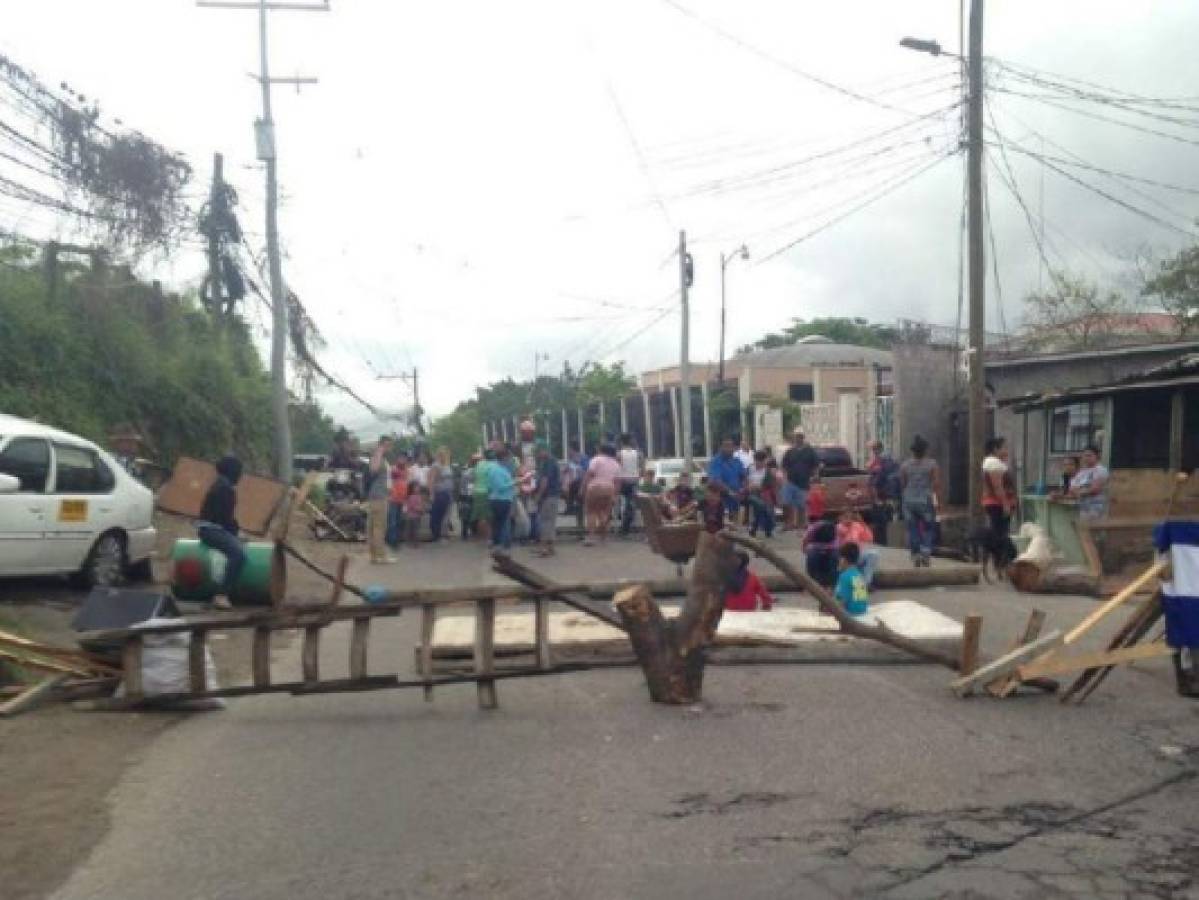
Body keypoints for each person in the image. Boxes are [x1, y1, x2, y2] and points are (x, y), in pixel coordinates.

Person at [197, 454, 245, 610]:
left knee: (237, 544)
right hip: (212, 530)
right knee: (238, 554)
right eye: (239, 472)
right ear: (233, 472)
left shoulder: (219, 484)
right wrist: (236, 534)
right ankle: (221, 595)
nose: (240, 476)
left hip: (209, 528)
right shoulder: (226, 489)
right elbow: (225, 519)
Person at [900, 435, 940, 568]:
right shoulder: (932, 464)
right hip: (925, 499)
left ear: (913, 451)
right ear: (925, 451)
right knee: (928, 527)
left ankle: (916, 554)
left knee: (913, 528)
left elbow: (903, 483)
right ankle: (925, 552)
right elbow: (935, 484)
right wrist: (936, 501)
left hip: (909, 500)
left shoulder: (905, 465)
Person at [982, 437, 1017, 568]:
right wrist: (1006, 504)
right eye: (1004, 448)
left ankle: (1001, 560)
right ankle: (1003, 559)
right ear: (996, 449)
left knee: (1000, 532)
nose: (1006, 451)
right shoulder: (993, 463)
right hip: (997, 503)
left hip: (997, 502)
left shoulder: (997, 463)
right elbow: (998, 486)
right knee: (1000, 533)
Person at [581, 443, 621, 546]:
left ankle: (591, 537)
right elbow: (617, 482)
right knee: (604, 513)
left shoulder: (596, 459)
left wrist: (583, 488)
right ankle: (603, 537)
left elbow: (589, 474)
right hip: (609, 488)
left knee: (591, 512)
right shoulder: (616, 464)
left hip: (595, 487)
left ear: (601, 450)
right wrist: (615, 495)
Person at [781, 428, 820, 531]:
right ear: (794, 438)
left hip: (803, 482)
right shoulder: (790, 451)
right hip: (790, 482)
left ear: (803, 438)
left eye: (800, 436)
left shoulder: (810, 451)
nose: (798, 438)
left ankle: (801, 525)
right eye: (797, 436)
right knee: (786, 503)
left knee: (801, 505)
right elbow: (784, 465)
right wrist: (784, 478)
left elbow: (816, 465)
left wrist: (815, 476)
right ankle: (788, 524)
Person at [365, 436, 395, 564]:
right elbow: (374, 469)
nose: (389, 448)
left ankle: (374, 555)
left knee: (373, 527)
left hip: (378, 495)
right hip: (379, 496)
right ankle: (381, 555)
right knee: (379, 527)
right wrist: (380, 450)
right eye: (387, 445)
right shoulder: (378, 456)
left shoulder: (382, 458)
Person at [866, 440, 900, 546]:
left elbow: (874, 482)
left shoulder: (879, 462)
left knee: (880, 523)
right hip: (888, 496)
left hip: (881, 496)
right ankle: (884, 542)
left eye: (872, 449)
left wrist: (876, 498)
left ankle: (881, 543)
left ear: (877, 449)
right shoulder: (891, 461)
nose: (872, 452)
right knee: (885, 522)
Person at [486, 446, 517, 552]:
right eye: (508, 457)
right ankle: (501, 544)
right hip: (501, 500)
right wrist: (515, 482)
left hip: (500, 499)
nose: (509, 459)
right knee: (502, 523)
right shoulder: (497, 470)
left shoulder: (499, 469)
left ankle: (500, 544)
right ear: (503, 458)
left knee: (499, 523)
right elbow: (501, 487)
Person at [533, 441, 561, 557]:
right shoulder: (552, 461)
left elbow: (545, 480)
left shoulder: (548, 462)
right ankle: (551, 547)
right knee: (550, 521)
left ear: (544, 450)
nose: (537, 455)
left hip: (548, 495)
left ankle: (543, 547)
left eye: (538, 452)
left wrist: (538, 495)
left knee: (545, 521)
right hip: (553, 495)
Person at [1068, 444, 1110, 520]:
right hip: (1083, 508)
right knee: (1083, 530)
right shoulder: (1082, 472)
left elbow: (1095, 489)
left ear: (1097, 456)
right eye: (1085, 456)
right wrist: (1083, 490)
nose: (1086, 458)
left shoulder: (1101, 470)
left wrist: (1080, 491)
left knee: (1093, 530)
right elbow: (1072, 488)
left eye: (1089, 455)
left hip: (1096, 508)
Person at [707, 437, 747, 516]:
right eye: (726, 446)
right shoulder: (716, 461)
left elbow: (743, 477)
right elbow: (715, 481)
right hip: (721, 499)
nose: (728, 448)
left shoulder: (737, 461)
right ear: (721, 447)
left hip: (737, 499)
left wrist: (743, 489)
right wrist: (730, 492)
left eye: (730, 446)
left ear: (734, 448)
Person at [802, 512, 839, 589]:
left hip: (830, 547)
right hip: (816, 546)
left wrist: (826, 550)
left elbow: (836, 546)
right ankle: (811, 583)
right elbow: (805, 541)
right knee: (812, 556)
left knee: (834, 557)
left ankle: (833, 583)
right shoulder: (813, 528)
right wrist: (805, 549)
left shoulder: (834, 529)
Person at [744, 450, 776, 538]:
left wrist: (759, 487)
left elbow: (770, 485)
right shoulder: (749, 469)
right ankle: (767, 529)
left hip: (763, 493)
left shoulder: (767, 471)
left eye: (762, 461)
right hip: (750, 494)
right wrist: (748, 486)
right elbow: (744, 481)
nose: (759, 464)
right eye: (757, 461)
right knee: (761, 505)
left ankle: (755, 528)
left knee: (763, 507)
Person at [617, 433, 643, 536]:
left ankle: (623, 522)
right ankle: (626, 522)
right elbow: (642, 468)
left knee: (622, 502)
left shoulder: (619, 454)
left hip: (623, 481)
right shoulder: (638, 453)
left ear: (621, 442)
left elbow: (617, 468)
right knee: (630, 503)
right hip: (634, 481)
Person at [427, 447, 455, 542]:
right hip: (440, 493)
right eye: (442, 455)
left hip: (448, 493)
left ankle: (444, 534)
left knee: (446, 515)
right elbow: (431, 480)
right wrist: (431, 494)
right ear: (438, 456)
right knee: (438, 515)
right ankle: (437, 535)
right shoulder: (436, 466)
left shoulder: (447, 466)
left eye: (445, 455)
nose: (444, 456)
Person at [834, 542, 870, 617]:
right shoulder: (859, 575)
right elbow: (860, 598)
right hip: (862, 612)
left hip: (850, 614)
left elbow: (842, 602)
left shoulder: (844, 577)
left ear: (843, 560)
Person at [386, 451, 410, 550]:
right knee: (392, 521)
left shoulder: (407, 471)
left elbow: (407, 484)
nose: (402, 460)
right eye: (401, 458)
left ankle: (396, 540)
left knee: (400, 521)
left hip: (402, 499)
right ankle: (392, 542)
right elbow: (388, 483)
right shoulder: (392, 469)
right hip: (393, 499)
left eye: (404, 458)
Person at [458, 454, 479, 540]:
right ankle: (472, 531)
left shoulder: (465, 472)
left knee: (466, 514)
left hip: (466, 494)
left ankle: (465, 533)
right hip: (472, 494)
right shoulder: (475, 472)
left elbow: (462, 485)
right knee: (472, 513)